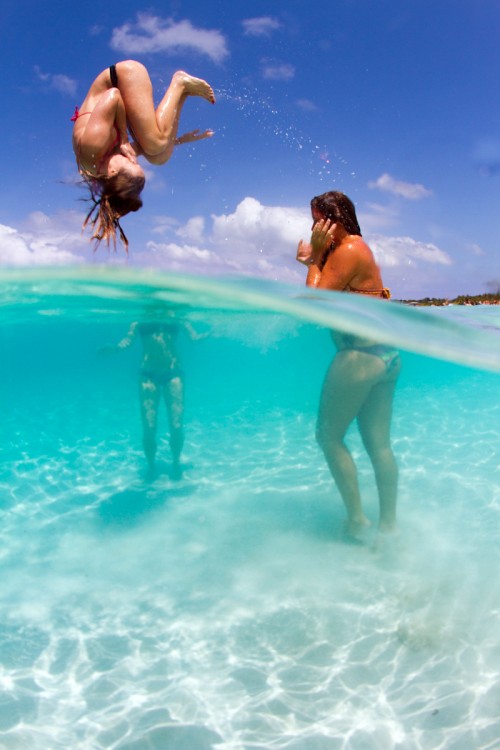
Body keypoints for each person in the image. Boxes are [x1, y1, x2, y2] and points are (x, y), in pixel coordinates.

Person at [296, 191, 400, 540]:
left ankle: (357, 520)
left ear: (333, 221)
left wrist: (312, 260)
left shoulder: (350, 250)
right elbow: (336, 287)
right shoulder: (357, 249)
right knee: (378, 445)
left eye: (316, 220)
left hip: (359, 357)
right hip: (385, 355)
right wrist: (315, 258)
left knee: (327, 436)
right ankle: (388, 527)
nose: (313, 227)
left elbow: (316, 302)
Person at [72, 61, 215, 250]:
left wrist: (123, 137)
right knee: (159, 157)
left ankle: (180, 82)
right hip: (124, 92)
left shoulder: (92, 146)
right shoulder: (108, 164)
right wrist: (181, 140)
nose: (132, 158)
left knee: (156, 144)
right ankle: (183, 94)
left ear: (113, 171)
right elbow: (140, 149)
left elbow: (113, 96)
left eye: (131, 163)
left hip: (122, 78)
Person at [99, 308, 205, 480]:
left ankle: (176, 463)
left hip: (174, 372)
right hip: (148, 374)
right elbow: (127, 341)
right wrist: (115, 349)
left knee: (176, 425)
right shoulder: (139, 320)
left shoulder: (178, 317)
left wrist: (211, 334)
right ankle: (151, 466)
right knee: (149, 427)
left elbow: (194, 338)